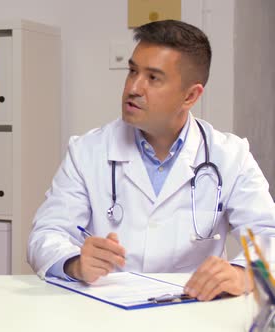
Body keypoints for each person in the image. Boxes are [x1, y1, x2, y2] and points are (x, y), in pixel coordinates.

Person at [27, 19, 275, 302]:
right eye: (132, 71)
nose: (134, 87)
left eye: (153, 78)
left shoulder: (229, 156)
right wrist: (74, 263)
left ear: (190, 96)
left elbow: (269, 235)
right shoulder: (87, 151)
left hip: (194, 311)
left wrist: (241, 274)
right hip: (105, 312)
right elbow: (46, 234)